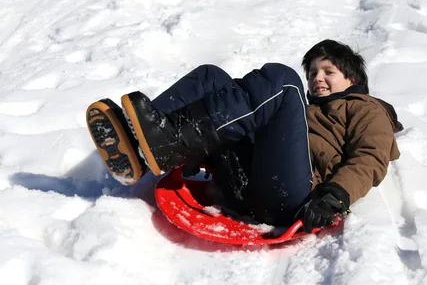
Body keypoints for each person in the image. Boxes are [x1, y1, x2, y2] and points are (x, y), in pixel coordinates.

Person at [86, 39, 402, 232]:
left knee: (283, 81)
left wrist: (335, 197)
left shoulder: (367, 108)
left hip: (291, 198)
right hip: (246, 179)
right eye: (313, 73)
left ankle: (167, 142)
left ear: (353, 77)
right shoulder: (305, 110)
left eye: (328, 72)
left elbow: (370, 157)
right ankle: (141, 148)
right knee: (210, 77)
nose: (317, 79)